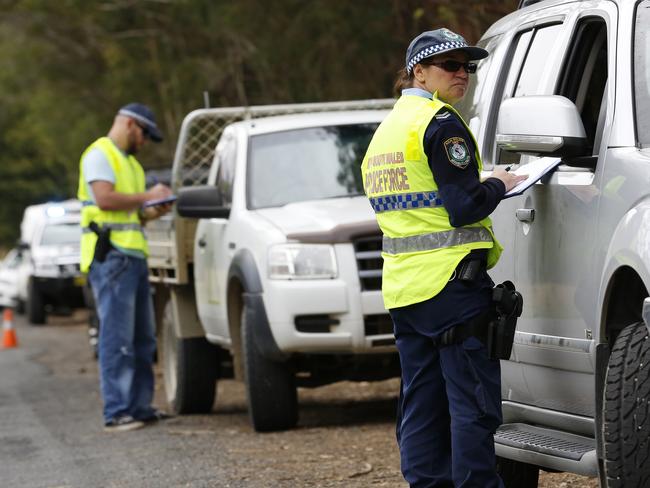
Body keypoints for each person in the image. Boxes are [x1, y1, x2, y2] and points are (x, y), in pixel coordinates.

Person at [361, 29, 527, 487]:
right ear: (418, 71)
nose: (462, 75)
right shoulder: (441, 123)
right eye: (450, 66)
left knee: (421, 406)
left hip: (404, 291)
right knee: (471, 405)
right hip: (452, 287)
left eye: (468, 66)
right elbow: (463, 206)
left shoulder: (386, 133)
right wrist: (499, 182)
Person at [77, 103, 173, 432]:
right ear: (130, 125)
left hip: (132, 256)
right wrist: (149, 194)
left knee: (143, 338)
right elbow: (104, 200)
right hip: (112, 257)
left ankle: (139, 406)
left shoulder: (130, 164)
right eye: (145, 133)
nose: (145, 141)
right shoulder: (99, 154)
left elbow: (133, 212)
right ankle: (117, 411)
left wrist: (153, 210)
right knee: (117, 338)